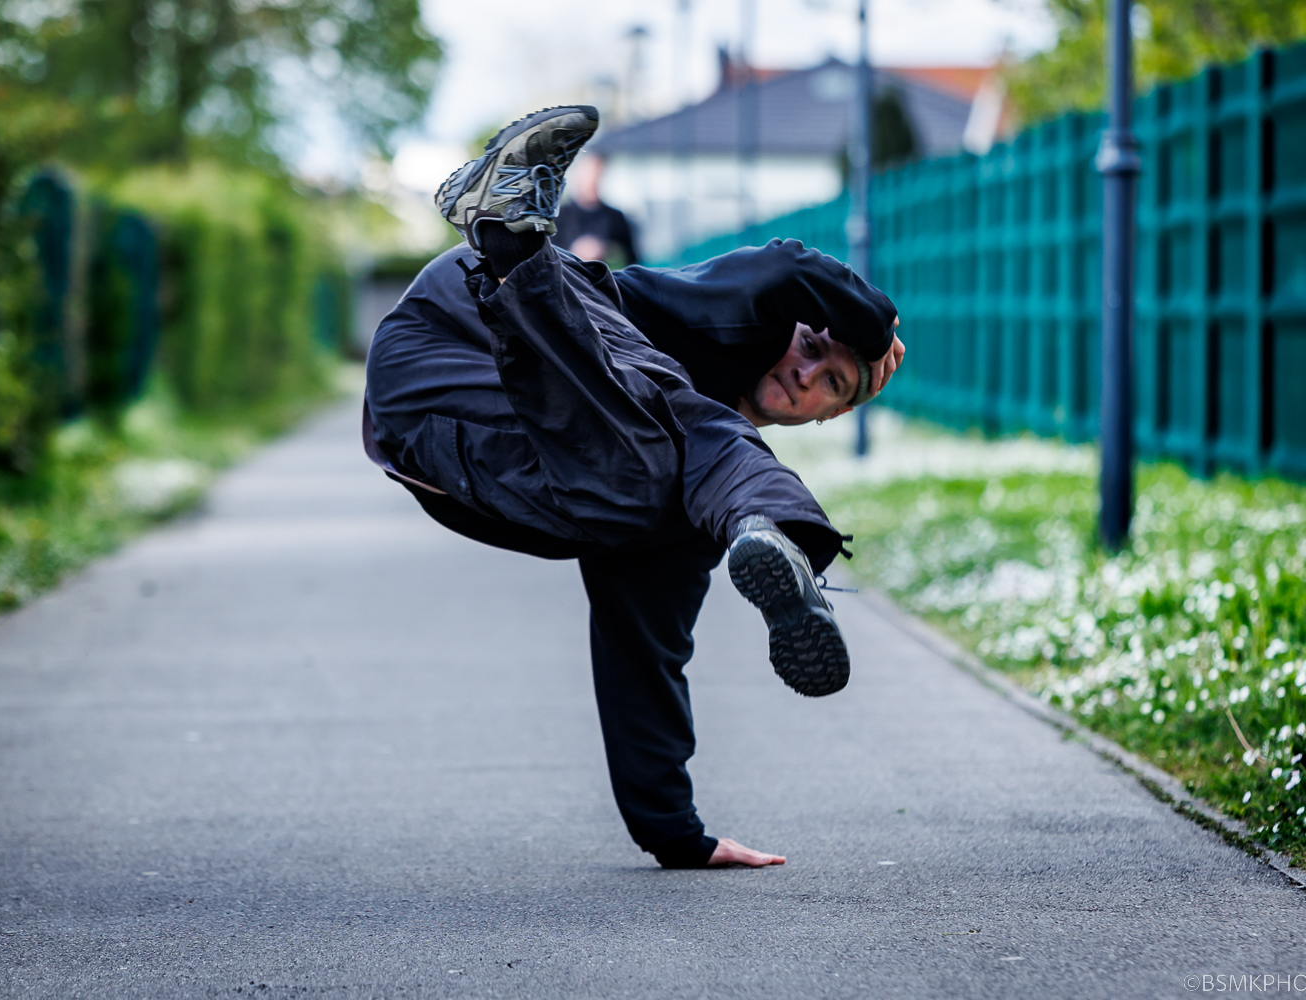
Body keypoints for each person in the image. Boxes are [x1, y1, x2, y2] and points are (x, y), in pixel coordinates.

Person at [364, 106, 904, 870]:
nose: (807, 373)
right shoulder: (716, 316)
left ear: (827, 416)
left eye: (834, 383)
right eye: (812, 345)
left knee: (650, 494)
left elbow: (644, 648)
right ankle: (509, 238)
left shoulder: (680, 501)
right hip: (460, 328)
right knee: (680, 423)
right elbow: (785, 267)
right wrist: (875, 329)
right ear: (787, 327)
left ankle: (768, 537)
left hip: (472, 443)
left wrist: (677, 835)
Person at [555, 152, 638, 266]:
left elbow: (631, 259)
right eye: (588, 175)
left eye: (597, 175)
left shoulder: (615, 218)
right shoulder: (560, 217)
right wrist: (575, 251)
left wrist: (605, 249)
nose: (592, 181)